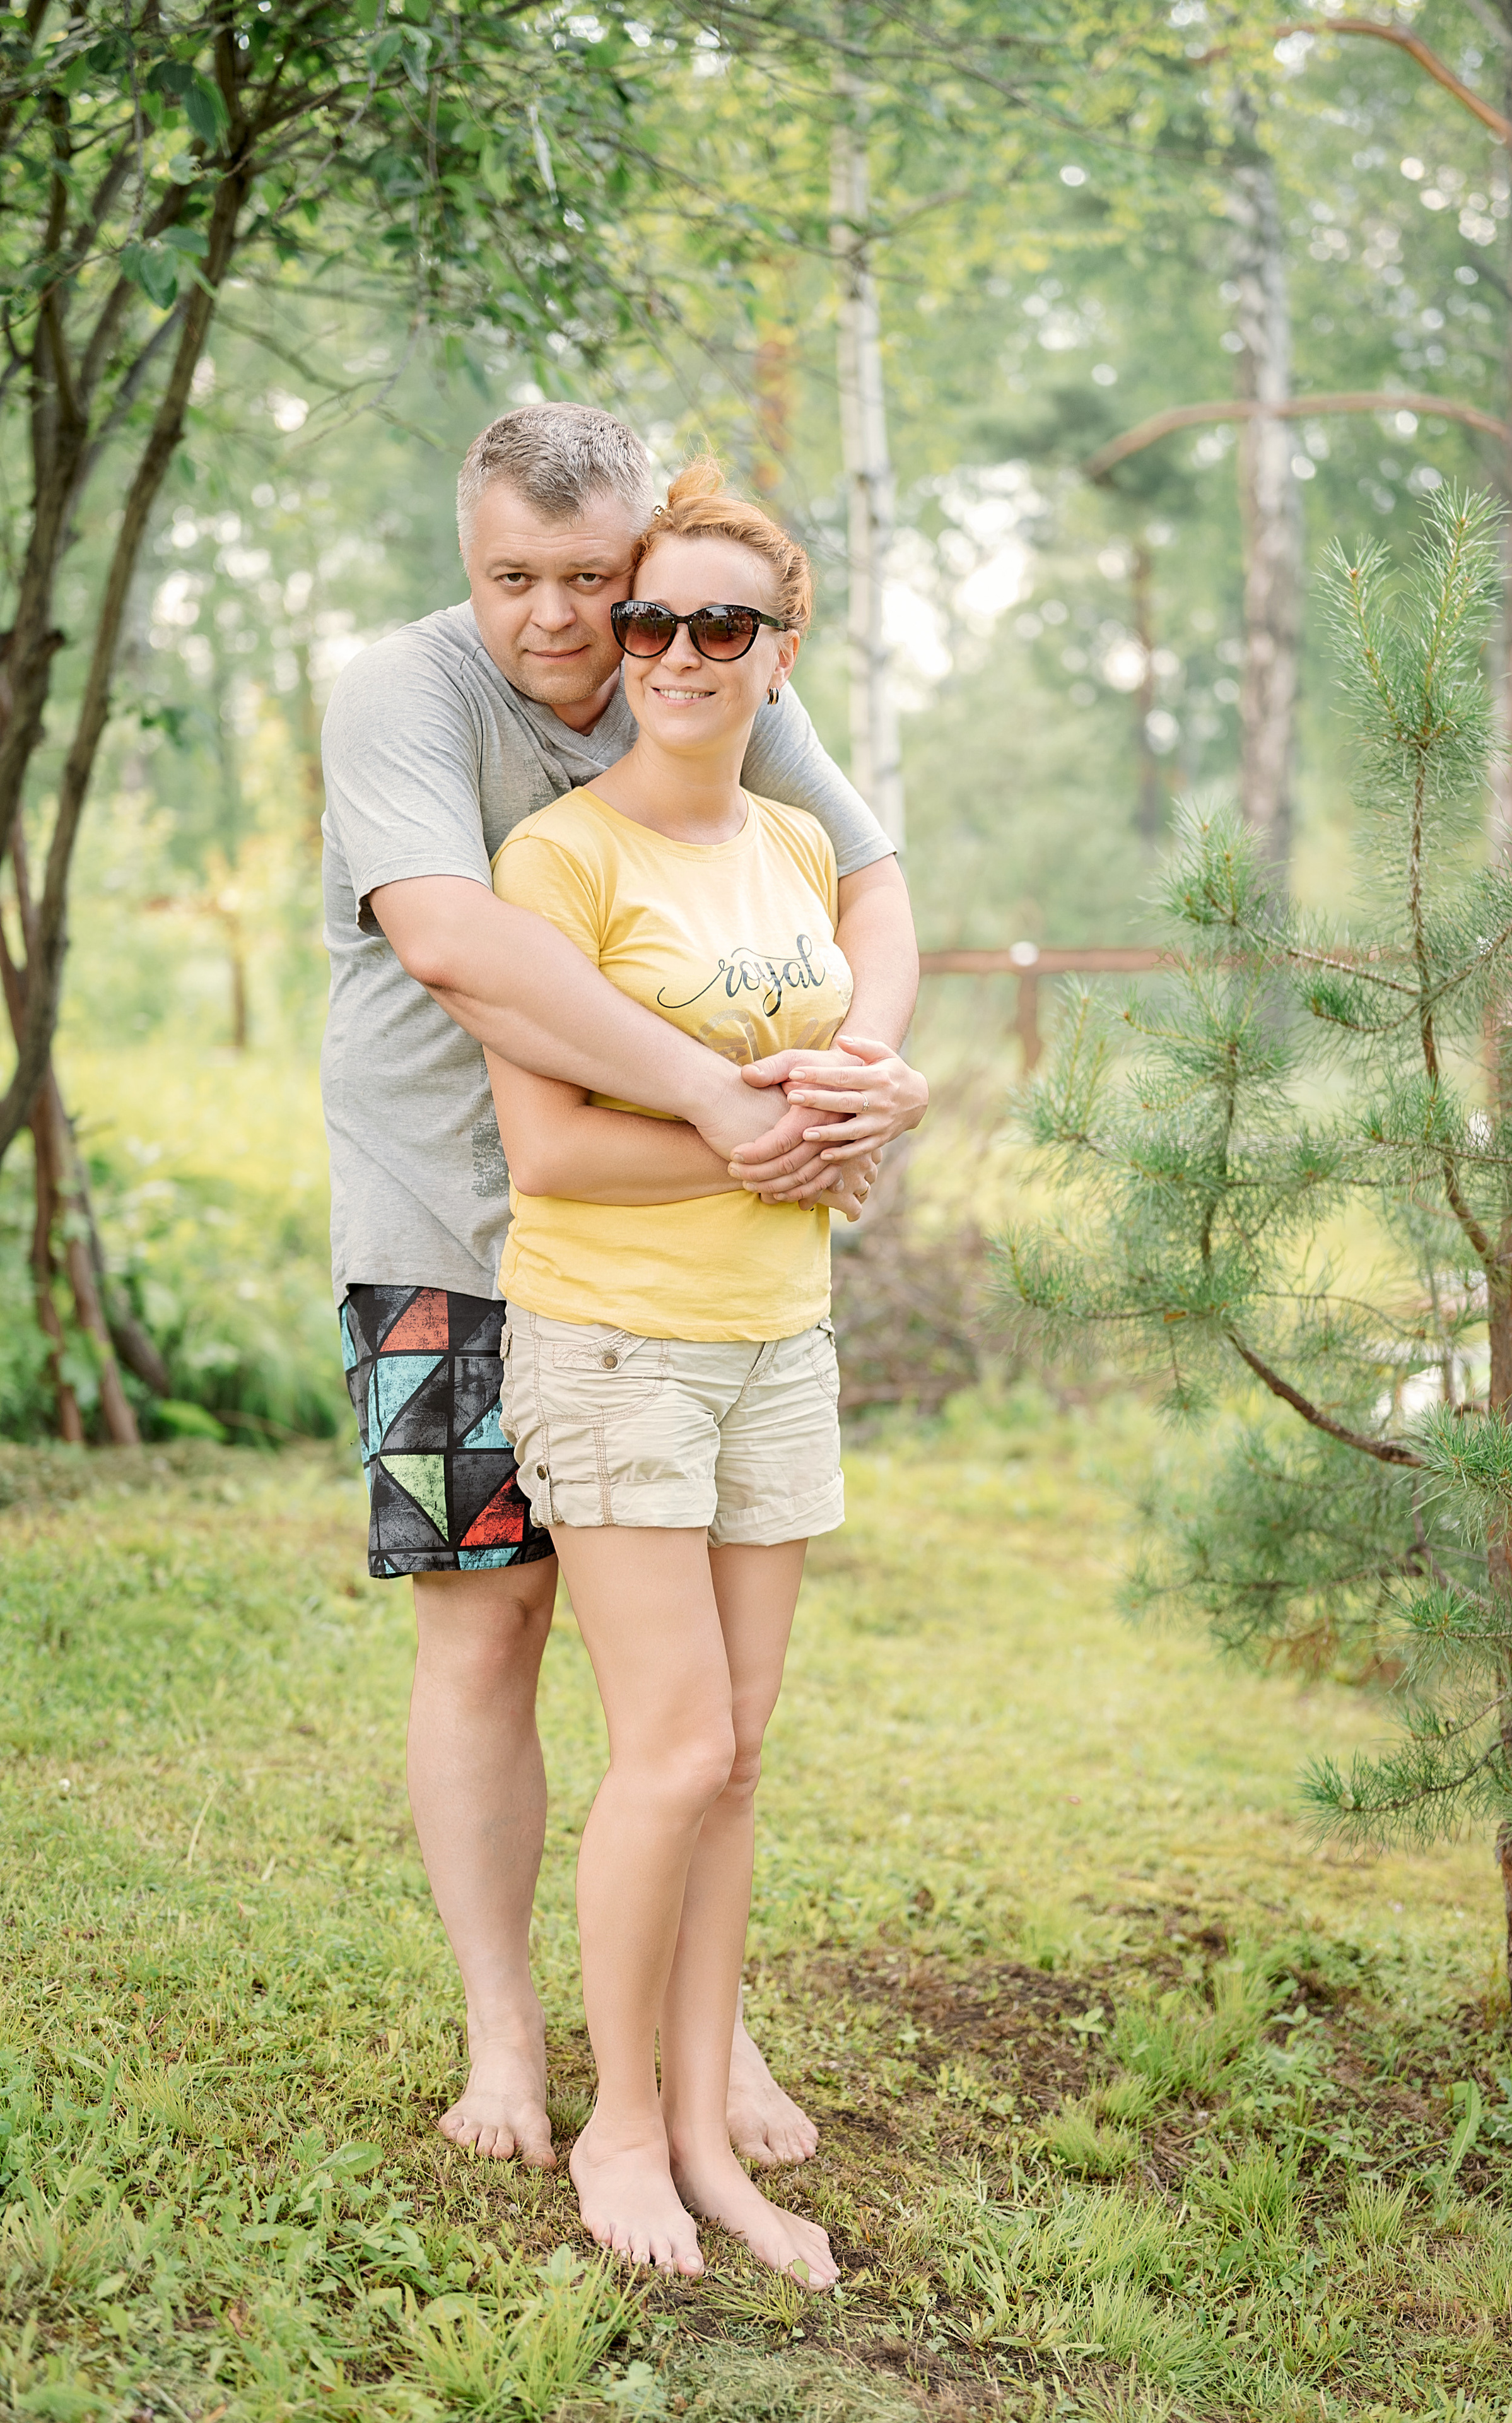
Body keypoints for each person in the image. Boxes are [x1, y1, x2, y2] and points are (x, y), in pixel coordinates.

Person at [319, 403, 928, 2176]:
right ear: (469, 556)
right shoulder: (406, 694)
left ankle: (699, 2048)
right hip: (452, 1231)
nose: (566, 623)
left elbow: (866, 880)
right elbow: (453, 938)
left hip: (683, 1253)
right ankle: (507, 2043)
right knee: (486, 1621)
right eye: (518, 577)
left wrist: (861, 1067)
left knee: (698, 1704)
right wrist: (726, 1100)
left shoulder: (699, 646)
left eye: (595, 577)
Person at [488, 459, 853, 2285]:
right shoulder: (561, 857)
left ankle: (710, 2129)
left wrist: (845, 1129)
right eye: (653, 620)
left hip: (781, 1339)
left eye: (724, 624)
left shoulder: (794, 852)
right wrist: (757, 1148)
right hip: (616, 1335)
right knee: (674, 1742)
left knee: (742, 1755)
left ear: (782, 659)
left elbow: (835, 1100)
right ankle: (617, 2129)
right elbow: (547, 1148)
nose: (679, 651)